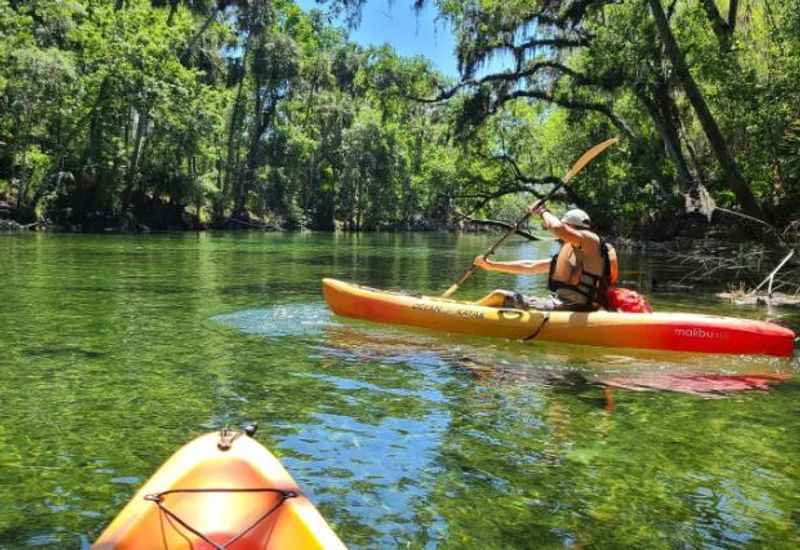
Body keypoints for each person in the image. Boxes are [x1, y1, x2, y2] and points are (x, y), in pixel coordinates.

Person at [472, 204, 616, 311]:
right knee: (499, 300)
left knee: (499, 295)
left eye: (567, 228)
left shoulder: (589, 240)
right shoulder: (575, 252)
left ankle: (467, 312)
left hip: (572, 307)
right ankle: (471, 308)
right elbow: (531, 266)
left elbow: (558, 228)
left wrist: (542, 211)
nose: (560, 238)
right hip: (569, 305)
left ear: (571, 227)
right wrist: (492, 265)